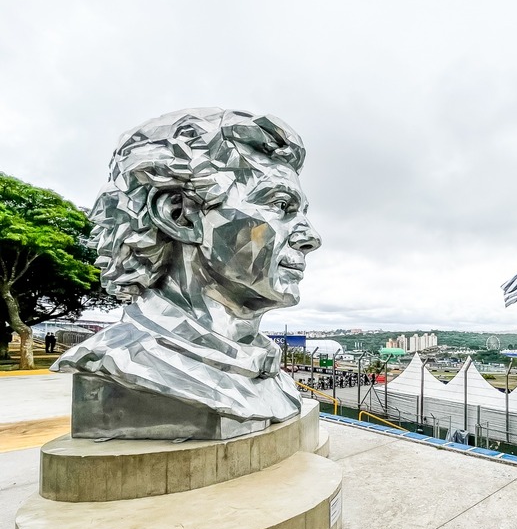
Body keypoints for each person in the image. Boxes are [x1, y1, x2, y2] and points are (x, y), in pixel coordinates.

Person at [53, 108, 321, 431]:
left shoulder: (271, 378)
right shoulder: (128, 361)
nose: (311, 238)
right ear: (179, 214)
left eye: (301, 213)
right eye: (280, 206)